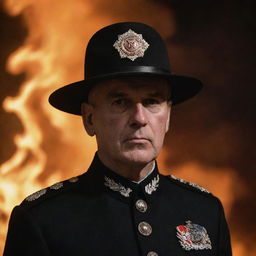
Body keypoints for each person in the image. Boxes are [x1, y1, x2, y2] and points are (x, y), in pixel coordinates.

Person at [3, 22, 232, 256]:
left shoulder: (206, 211)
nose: (139, 118)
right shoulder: (42, 220)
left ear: (168, 116)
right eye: (120, 102)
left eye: (152, 101)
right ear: (89, 118)